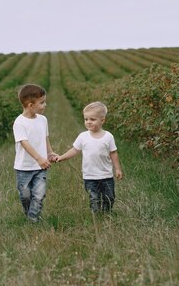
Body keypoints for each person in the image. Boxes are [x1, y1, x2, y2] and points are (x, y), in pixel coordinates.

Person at [57, 101, 123, 213]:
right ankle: (96, 216)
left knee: (110, 197)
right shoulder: (83, 137)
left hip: (106, 175)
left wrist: (117, 169)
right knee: (94, 198)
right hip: (90, 176)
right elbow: (74, 150)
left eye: (92, 119)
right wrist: (61, 157)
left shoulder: (108, 137)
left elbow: (113, 153)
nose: (88, 122)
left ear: (102, 120)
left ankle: (107, 213)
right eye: (86, 119)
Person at [13, 84, 59, 222]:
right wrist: (38, 157)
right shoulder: (20, 122)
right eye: (42, 102)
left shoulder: (43, 120)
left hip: (41, 167)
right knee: (25, 195)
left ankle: (33, 219)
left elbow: (45, 138)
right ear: (30, 105)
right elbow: (24, 143)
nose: (45, 105)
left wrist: (49, 153)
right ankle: (29, 213)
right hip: (24, 167)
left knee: (39, 195)